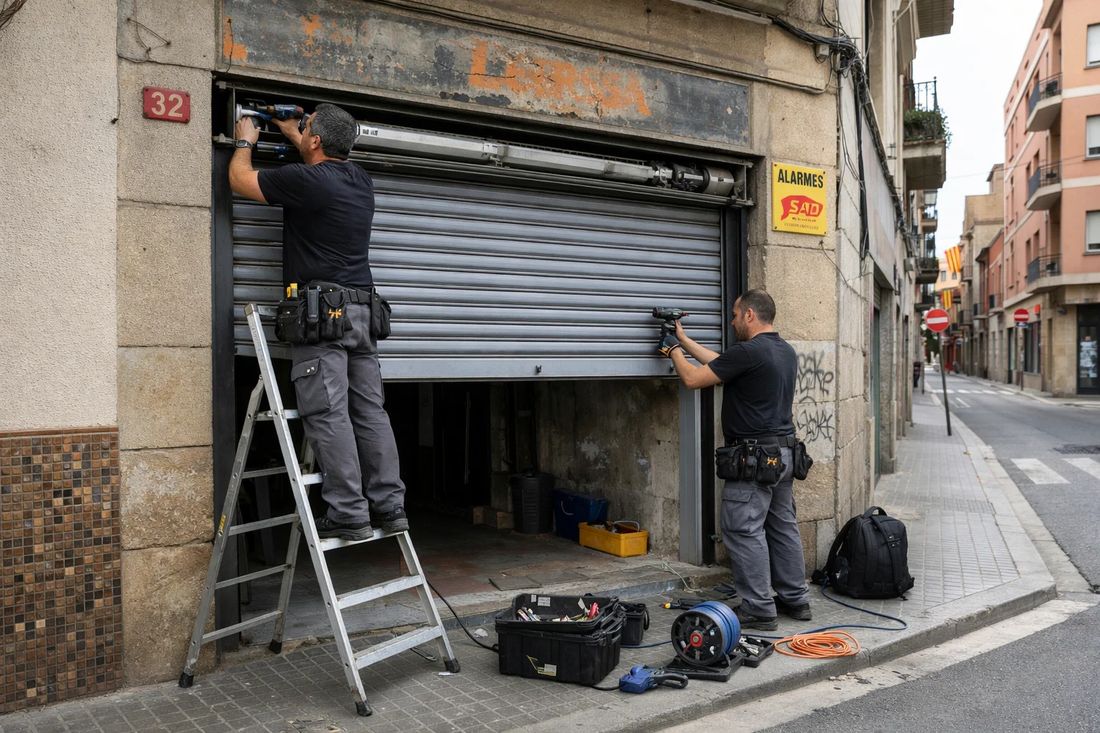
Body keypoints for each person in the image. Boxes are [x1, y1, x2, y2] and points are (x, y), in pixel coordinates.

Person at [229, 103, 407, 541]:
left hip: (322, 315)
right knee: (370, 412)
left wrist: (244, 141)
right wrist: (297, 131)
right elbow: (320, 153)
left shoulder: (306, 181)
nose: (302, 130)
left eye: (307, 128)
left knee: (328, 414)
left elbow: (239, 180)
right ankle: (389, 505)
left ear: (315, 142)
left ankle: (348, 512)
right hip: (364, 312)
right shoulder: (360, 180)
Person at [658, 289, 810, 630]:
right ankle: (795, 599)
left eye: (735, 314)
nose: (732, 321)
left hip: (754, 459)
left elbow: (695, 379)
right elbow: (723, 364)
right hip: (784, 455)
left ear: (750, 316)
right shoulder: (782, 351)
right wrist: (685, 338)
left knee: (742, 528)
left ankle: (759, 607)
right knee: (782, 526)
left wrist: (673, 351)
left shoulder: (750, 352)